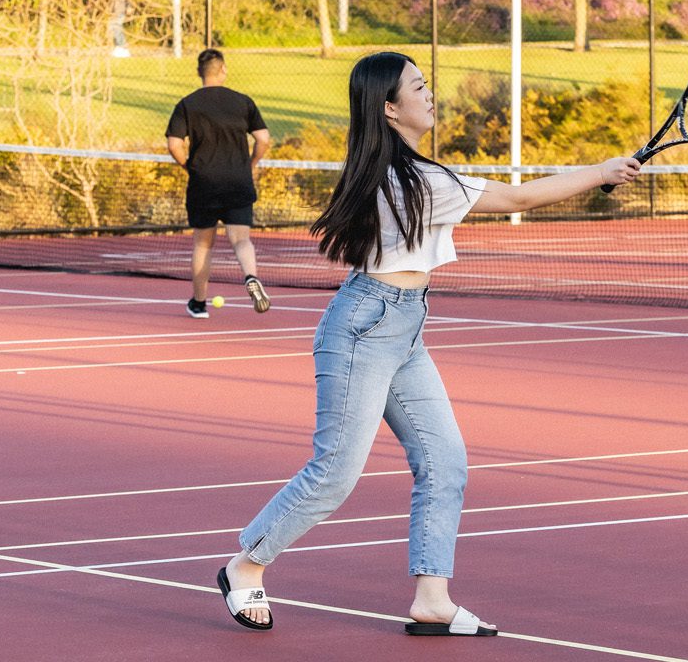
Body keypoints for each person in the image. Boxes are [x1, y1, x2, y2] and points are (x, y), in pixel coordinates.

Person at [215, 52, 639, 635]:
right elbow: (518, 200)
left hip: (403, 324)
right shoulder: (418, 180)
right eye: (418, 86)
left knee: (445, 462)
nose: (429, 93)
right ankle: (245, 566)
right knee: (336, 471)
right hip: (367, 325)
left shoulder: (399, 170)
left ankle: (432, 600)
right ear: (390, 109)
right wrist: (602, 171)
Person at [165, 49, 273, 317]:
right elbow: (263, 139)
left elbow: (174, 144)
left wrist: (188, 166)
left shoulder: (187, 104)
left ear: (199, 72)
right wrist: (251, 164)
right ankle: (251, 277)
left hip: (204, 184)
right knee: (241, 240)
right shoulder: (242, 102)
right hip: (238, 181)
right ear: (223, 69)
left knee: (203, 244)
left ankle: (199, 304)